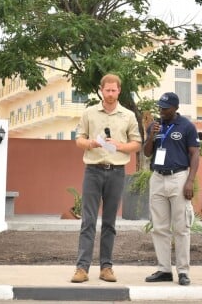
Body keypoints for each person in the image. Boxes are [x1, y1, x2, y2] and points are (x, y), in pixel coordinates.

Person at [70, 73, 142, 284]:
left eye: (114, 90)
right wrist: (92, 143)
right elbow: (78, 140)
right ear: (101, 90)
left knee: (110, 223)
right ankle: (82, 268)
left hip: (117, 172)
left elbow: (136, 143)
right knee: (88, 221)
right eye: (107, 90)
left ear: (119, 91)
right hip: (92, 170)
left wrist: (119, 145)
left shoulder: (127, 115)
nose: (110, 94)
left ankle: (106, 267)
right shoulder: (89, 113)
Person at [143, 92, 201, 286]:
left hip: (179, 177)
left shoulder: (187, 127)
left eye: (165, 108)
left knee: (181, 227)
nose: (161, 111)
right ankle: (164, 269)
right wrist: (151, 135)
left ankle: (183, 271)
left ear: (175, 108)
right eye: (160, 107)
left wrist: (190, 181)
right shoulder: (154, 126)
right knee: (159, 227)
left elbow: (194, 154)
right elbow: (147, 152)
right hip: (158, 177)